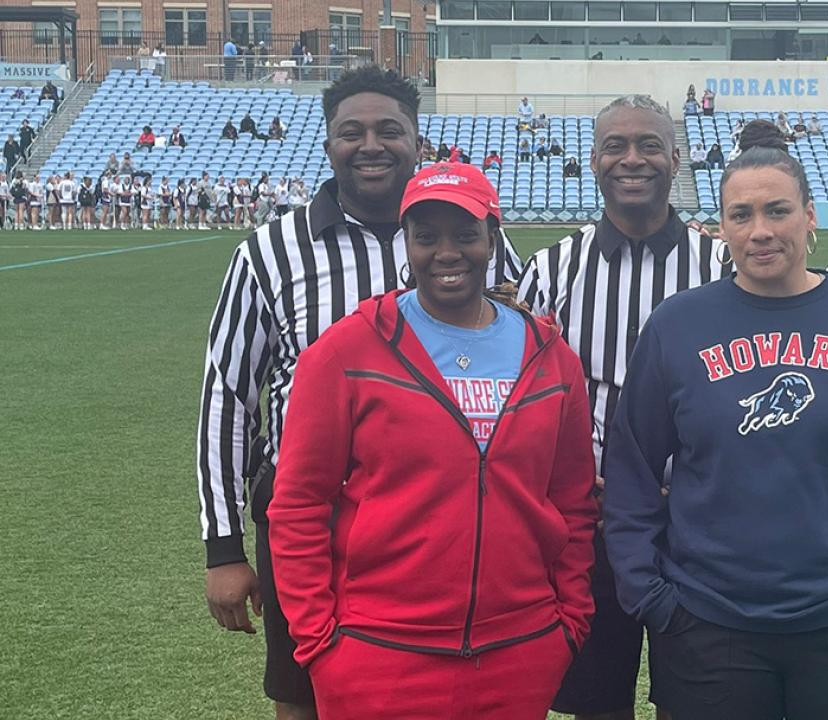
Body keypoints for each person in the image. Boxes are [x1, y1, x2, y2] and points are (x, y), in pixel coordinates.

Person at [606, 120, 828, 720]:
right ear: (719, 229)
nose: (760, 231)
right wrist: (652, 597)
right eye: (741, 215)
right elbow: (632, 466)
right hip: (706, 627)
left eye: (777, 211)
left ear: (810, 216)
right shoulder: (677, 325)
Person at [198, 67, 514, 720]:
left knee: (435, 684)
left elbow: (515, 354)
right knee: (304, 687)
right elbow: (228, 397)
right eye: (352, 132)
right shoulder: (268, 253)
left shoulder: (466, 238)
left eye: (389, 130)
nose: (371, 144)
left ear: (418, 142)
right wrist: (224, 548)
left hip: (433, 513)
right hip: (304, 515)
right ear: (328, 146)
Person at [269, 162, 596, 719]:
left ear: (493, 239)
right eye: (427, 237)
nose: (447, 253)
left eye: (466, 235)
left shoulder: (551, 358)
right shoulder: (347, 352)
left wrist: (566, 621)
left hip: (519, 651)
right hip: (378, 654)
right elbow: (299, 503)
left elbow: (573, 502)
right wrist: (321, 641)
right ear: (408, 244)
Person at [518, 93, 731, 720]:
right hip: (589, 524)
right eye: (615, 145)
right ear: (593, 159)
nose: (631, 159)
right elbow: (525, 398)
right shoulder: (552, 270)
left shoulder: (720, 267)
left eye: (647, 145)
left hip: (696, 525)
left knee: (695, 697)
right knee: (597, 700)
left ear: (675, 157)